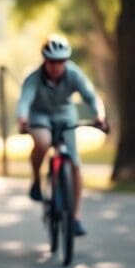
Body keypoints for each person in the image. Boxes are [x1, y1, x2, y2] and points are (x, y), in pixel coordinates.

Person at [17, 34, 107, 236]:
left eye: (61, 61)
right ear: (45, 60)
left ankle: (75, 217)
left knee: (74, 163)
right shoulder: (33, 78)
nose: (57, 66)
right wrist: (22, 119)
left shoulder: (73, 74)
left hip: (65, 114)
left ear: (66, 60)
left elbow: (91, 97)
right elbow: (24, 101)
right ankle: (36, 181)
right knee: (43, 142)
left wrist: (99, 115)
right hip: (39, 114)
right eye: (52, 62)